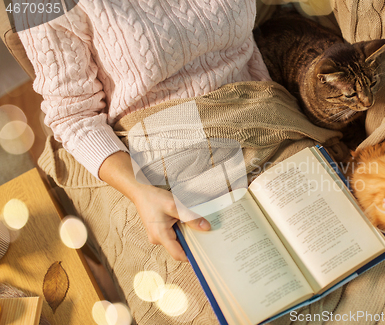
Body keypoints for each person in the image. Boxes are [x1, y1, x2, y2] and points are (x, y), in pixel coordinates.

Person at [19, 0, 271, 262]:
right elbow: (73, 115)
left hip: (262, 115)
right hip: (161, 150)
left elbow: (243, 35)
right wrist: (140, 191)